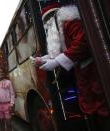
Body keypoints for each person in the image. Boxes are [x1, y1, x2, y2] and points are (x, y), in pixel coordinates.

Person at [31, 2, 110, 131]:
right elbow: (62, 49)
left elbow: (82, 44)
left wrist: (56, 62)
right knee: (89, 105)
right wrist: (44, 59)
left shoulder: (69, 21)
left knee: (101, 106)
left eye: (47, 21)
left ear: (54, 16)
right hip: (82, 71)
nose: (47, 25)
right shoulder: (60, 25)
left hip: (92, 71)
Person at [0, 66, 15, 131]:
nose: (0, 73)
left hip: (8, 105)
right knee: (1, 124)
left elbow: (12, 94)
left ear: (4, 73)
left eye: (2, 72)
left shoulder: (8, 82)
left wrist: (12, 104)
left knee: (8, 123)